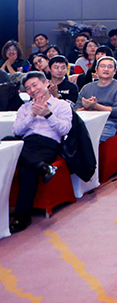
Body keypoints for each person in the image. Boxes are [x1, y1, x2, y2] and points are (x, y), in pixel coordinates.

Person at [9, 72, 72, 233]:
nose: (32, 90)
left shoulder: (61, 105)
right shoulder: (25, 108)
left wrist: (48, 115)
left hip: (48, 144)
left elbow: (65, 130)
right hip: (27, 144)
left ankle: (22, 216)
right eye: (28, 88)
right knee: (8, 140)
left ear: (46, 83)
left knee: (26, 170)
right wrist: (32, 115)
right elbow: (16, 131)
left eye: (34, 85)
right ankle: (43, 167)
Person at [76, 56, 117, 141]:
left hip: (108, 123)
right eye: (102, 66)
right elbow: (76, 110)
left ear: (115, 71)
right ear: (96, 70)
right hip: (86, 121)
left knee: (89, 139)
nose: (106, 69)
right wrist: (86, 107)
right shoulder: (87, 88)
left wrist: (96, 106)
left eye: (110, 67)